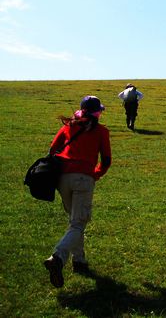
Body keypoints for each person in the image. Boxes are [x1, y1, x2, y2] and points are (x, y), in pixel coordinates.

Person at [43, 95, 112, 288]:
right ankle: (57, 258)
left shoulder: (68, 126)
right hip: (83, 179)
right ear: (98, 112)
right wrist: (95, 174)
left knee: (75, 221)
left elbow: (52, 150)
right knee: (78, 223)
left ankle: (79, 261)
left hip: (62, 179)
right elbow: (106, 161)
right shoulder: (101, 131)